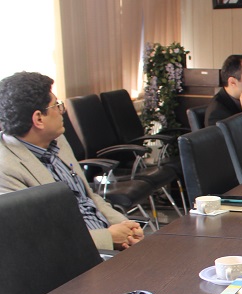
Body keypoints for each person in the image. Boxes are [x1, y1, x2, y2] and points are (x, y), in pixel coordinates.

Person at [0, 72, 143, 251]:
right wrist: (109, 237)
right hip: (77, 257)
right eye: (57, 106)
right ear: (38, 119)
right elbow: (39, 238)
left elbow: (89, 197)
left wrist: (127, 227)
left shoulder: (57, 140)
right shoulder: (6, 170)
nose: (62, 111)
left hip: (110, 243)